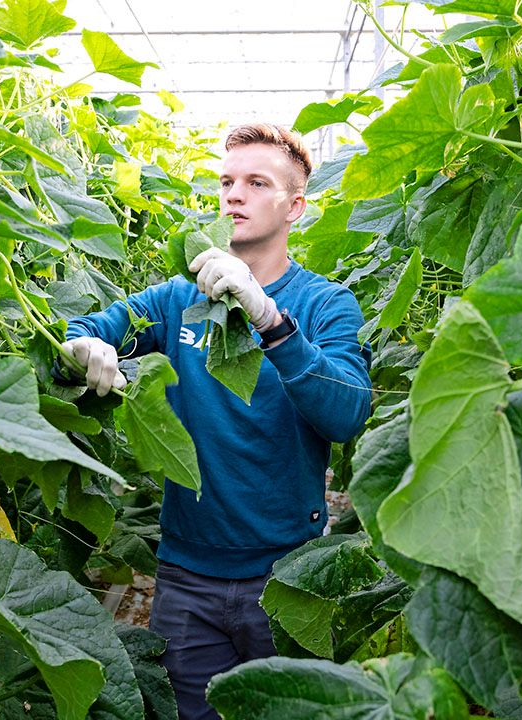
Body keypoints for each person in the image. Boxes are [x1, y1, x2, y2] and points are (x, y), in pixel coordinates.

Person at [57, 124, 372, 719]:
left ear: (295, 207)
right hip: (186, 571)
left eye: (257, 183)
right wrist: (80, 350)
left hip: (286, 574)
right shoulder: (178, 299)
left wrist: (270, 319)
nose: (234, 195)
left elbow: (347, 412)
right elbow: (87, 331)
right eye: (227, 181)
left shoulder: (325, 304)